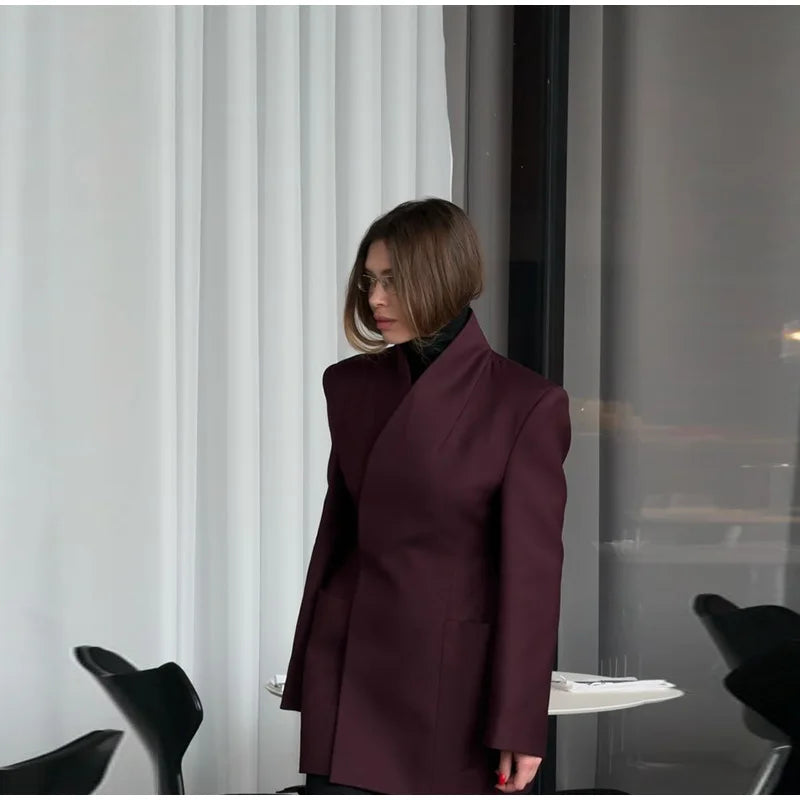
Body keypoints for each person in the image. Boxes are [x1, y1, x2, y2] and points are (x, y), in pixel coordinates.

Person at [280, 198, 571, 795]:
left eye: (393, 281)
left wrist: (520, 722)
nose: (376, 299)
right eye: (370, 281)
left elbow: (532, 579)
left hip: (448, 684)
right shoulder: (348, 386)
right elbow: (337, 532)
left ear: (444, 278)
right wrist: (311, 659)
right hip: (350, 663)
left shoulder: (525, 404)